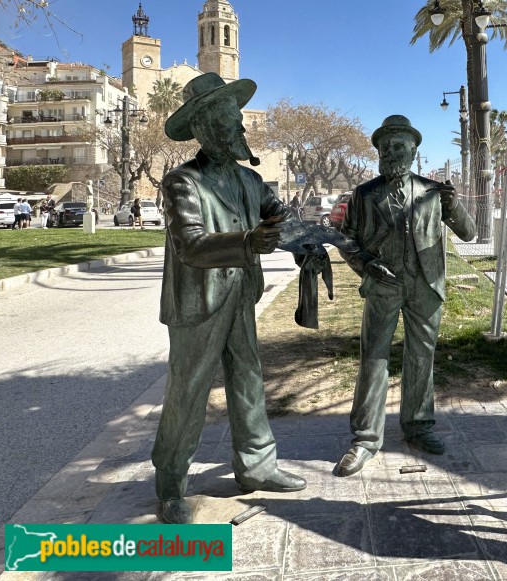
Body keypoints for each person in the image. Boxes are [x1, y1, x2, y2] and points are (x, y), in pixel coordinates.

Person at [152, 72, 322, 524]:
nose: (242, 130)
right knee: (188, 391)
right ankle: (170, 482)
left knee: (248, 380)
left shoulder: (250, 181)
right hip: (197, 303)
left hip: (241, 296)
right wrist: (248, 241)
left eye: (240, 121)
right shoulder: (181, 182)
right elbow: (189, 244)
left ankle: (258, 466)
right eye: (232, 122)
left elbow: (282, 219)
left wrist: (313, 241)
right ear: (206, 127)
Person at [334, 115, 476, 477]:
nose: (392, 152)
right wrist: (366, 264)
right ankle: (366, 438)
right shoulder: (365, 195)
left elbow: (470, 234)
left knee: (421, 358)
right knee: (374, 359)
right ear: (379, 151)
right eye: (386, 147)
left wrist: (455, 205)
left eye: (400, 146)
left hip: (425, 285)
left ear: (414, 150)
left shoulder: (432, 192)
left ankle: (418, 426)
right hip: (383, 286)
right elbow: (345, 239)